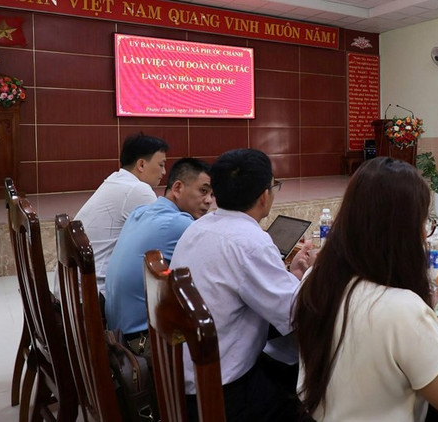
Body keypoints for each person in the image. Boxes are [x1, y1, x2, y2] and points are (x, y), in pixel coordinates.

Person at [294, 157, 438, 422]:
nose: (425, 235)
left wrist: (428, 314)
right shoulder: (399, 310)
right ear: (402, 232)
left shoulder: (315, 278)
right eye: (423, 223)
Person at [169, 148, 314, 422]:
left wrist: (290, 277)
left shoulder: (198, 226)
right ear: (264, 196)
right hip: (221, 393)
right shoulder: (250, 241)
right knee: (309, 399)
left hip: (186, 375)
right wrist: (313, 276)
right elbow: (298, 314)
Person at [104, 157, 213, 355]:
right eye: (203, 191)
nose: (209, 201)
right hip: (141, 343)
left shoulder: (140, 212)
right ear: (178, 188)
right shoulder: (179, 224)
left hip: (115, 336)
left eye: (212, 194)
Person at [70, 132, 168, 296]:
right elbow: (162, 236)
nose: (164, 172)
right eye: (161, 164)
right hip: (93, 294)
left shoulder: (117, 180)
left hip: (74, 289)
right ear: (141, 165)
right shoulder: (137, 189)